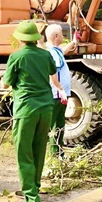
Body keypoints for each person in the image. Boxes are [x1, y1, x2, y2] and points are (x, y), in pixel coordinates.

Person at [3, 21, 66, 202]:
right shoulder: (46, 55)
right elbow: (52, 74)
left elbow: (7, 83)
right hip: (45, 107)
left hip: (26, 109)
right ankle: (34, 187)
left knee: (24, 151)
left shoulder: (16, 56)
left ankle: (31, 197)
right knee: (39, 149)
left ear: (20, 39)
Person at [44, 24, 75, 158]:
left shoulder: (56, 50)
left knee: (60, 123)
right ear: (56, 36)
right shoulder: (52, 53)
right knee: (56, 124)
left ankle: (59, 151)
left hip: (61, 94)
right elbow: (53, 73)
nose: (63, 36)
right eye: (62, 34)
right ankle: (55, 153)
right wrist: (60, 89)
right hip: (57, 95)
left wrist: (74, 42)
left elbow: (64, 51)